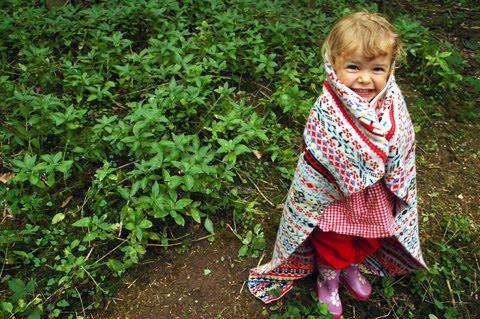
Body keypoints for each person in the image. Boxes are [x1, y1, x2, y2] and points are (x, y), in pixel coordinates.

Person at [247, 11, 426, 319]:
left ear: (391, 68)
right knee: (334, 242)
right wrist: (360, 164)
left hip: (375, 196)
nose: (365, 78)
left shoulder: (394, 102)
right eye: (353, 67)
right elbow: (321, 153)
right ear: (334, 65)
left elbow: (403, 143)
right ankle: (328, 278)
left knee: (368, 237)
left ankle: (351, 268)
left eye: (377, 68)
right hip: (335, 198)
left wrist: (390, 167)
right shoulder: (328, 107)